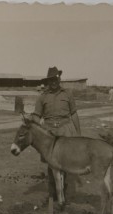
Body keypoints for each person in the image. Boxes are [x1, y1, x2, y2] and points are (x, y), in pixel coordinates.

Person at [32, 66, 81, 204]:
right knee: (51, 163)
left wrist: (78, 133)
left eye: (55, 79)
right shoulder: (42, 97)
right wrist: (36, 124)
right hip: (49, 132)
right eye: (50, 80)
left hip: (65, 129)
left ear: (59, 79)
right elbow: (36, 116)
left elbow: (74, 114)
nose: (53, 82)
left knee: (65, 162)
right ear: (48, 81)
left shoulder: (68, 94)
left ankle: (63, 192)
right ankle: (52, 194)